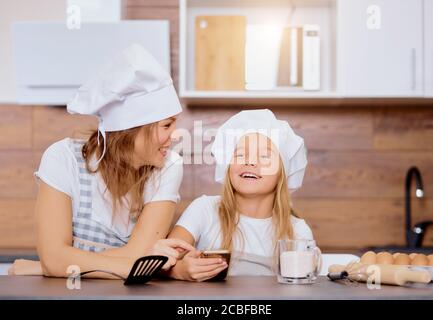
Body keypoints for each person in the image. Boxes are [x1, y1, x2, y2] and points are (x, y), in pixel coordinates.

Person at [8, 44, 194, 278]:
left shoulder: (168, 167)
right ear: (131, 130)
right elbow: (55, 259)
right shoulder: (63, 159)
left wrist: (51, 266)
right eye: (166, 125)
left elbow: (56, 261)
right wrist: (131, 264)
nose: (175, 135)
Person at [168, 109, 314, 281]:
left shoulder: (297, 232)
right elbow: (162, 261)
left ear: (283, 173)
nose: (250, 161)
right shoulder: (204, 210)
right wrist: (178, 270)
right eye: (240, 154)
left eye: (265, 156)